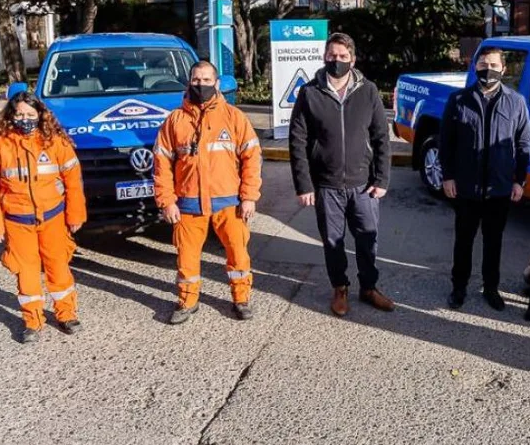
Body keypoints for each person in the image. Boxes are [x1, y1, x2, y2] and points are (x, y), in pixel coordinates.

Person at [289, 32, 393, 317]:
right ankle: (340, 288)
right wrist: (304, 184)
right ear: (325, 57)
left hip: (364, 185)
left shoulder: (368, 90)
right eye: (332, 56)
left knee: (367, 240)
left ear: (353, 59)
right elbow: (297, 141)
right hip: (326, 185)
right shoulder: (309, 92)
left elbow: (382, 137)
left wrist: (381, 179)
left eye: (343, 56)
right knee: (333, 243)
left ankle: (369, 287)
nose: (337, 61)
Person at [153, 60, 262, 323]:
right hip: (188, 204)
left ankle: (241, 299)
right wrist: (166, 201)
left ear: (216, 83)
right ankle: (187, 301)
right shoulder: (174, 121)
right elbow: (161, 165)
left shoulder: (234, 117)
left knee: (238, 251)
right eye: (196, 80)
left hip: (230, 203)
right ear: (189, 82)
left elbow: (252, 159)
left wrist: (248, 197)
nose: (201, 85)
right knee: (187, 258)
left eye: (206, 80)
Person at [0, 92, 87, 343]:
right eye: (19, 114)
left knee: (58, 266)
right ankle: (32, 321)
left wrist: (75, 215)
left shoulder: (55, 142)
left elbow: (73, 182)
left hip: (53, 218)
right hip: (17, 221)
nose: (25, 119)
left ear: (40, 115)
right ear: (10, 116)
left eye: (30, 114)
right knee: (25, 272)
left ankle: (66, 314)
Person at [440, 47, 530, 311]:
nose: (488, 69)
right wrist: (448, 176)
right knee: (463, 241)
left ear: (504, 69)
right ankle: (459, 288)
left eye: (493, 64)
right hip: (466, 187)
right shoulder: (458, 100)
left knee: (494, 243)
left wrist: (520, 180)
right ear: (475, 67)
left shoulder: (516, 102)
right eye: (482, 64)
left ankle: (491, 288)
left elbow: (524, 143)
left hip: (499, 188)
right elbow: (447, 142)